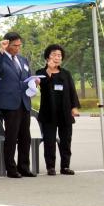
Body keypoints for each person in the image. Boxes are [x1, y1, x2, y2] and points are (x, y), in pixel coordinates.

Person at [0, 32, 37, 178]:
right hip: (10, 103)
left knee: (25, 137)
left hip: (24, 101)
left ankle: (24, 167)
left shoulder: (22, 59)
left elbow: (26, 76)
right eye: (15, 45)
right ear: (7, 44)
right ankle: (11, 168)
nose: (18, 48)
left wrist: (33, 81)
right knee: (12, 136)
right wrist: (1, 51)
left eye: (19, 45)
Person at [36, 44, 80, 175]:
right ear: (47, 57)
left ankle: (65, 166)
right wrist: (49, 71)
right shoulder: (41, 73)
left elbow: (72, 91)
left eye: (59, 55)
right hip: (48, 112)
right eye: (54, 54)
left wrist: (74, 107)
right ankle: (50, 167)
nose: (57, 57)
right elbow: (43, 86)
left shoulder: (66, 73)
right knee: (49, 141)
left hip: (64, 112)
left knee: (66, 140)